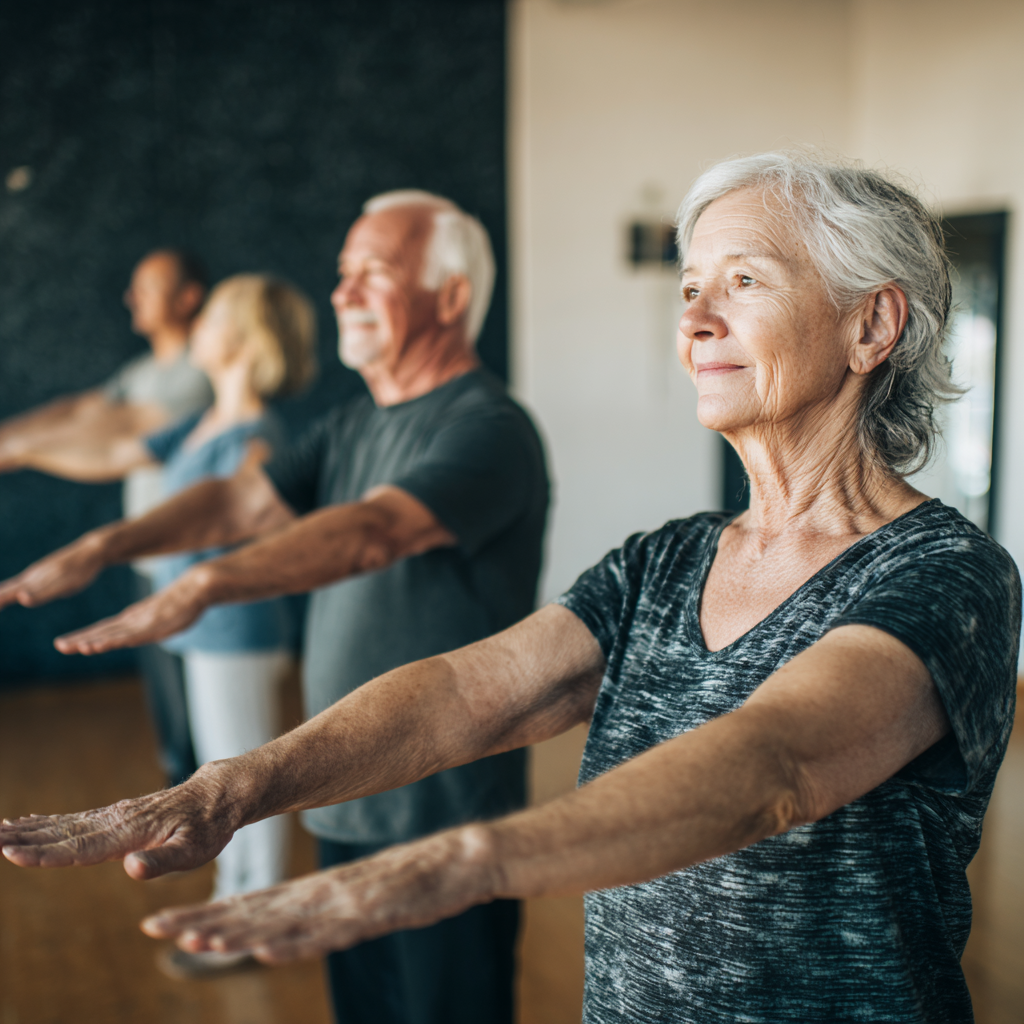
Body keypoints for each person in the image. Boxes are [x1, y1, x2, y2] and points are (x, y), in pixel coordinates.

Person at [2, 154, 1018, 1023]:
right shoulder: (662, 560)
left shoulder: (946, 574)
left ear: (870, 325)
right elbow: (466, 691)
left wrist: (456, 862)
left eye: (743, 281)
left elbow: (772, 764)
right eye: (686, 287)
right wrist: (236, 786)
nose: (696, 317)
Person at [0, 193, 549, 1024]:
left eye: (376, 273)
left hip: (445, 812)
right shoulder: (353, 422)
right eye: (342, 273)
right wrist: (106, 546)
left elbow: (373, 531)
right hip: (342, 785)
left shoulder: (490, 427)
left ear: (452, 297)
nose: (344, 292)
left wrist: (202, 585)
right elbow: (239, 502)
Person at [20, 273, 318, 977]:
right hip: (201, 631)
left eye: (213, 316)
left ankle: (257, 918)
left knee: (244, 776)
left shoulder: (257, 436)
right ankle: (230, 900)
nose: (201, 329)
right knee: (217, 769)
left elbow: (254, 526)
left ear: (242, 340)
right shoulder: (203, 422)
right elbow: (115, 453)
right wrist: (22, 449)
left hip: (236, 630)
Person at [0, 249, 213, 787]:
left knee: (203, 696)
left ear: (188, 298)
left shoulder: (200, 372)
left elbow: (119, 437)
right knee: (166, 689)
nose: (131, 297)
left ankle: (209, 802)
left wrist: (22, 450)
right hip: (144, 550)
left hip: (191, 553)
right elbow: (81, 410)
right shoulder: (141, 372)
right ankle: (179, 791)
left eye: (148, 286)